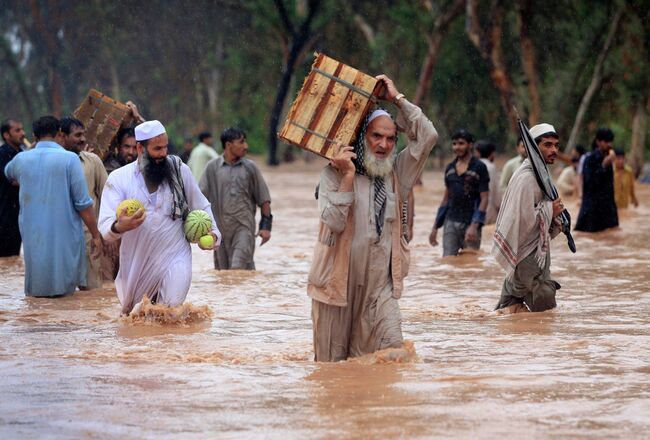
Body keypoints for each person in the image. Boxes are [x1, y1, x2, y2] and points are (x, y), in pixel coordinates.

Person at [309, 74, 438, 362]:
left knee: (393, 354)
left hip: (380, 286)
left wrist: (396, 99)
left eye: (391, 138)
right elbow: (334, 223)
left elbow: (428, 136)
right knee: (333, 369)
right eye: (376, 136)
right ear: (362, 137)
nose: (383, 144)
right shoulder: (333, 174)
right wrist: (348, 177)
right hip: (336, 284)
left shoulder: (398, 173)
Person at [98, 120, 221, 315]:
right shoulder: (119, 179)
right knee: (137, 315)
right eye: (157, 149)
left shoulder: (179, 171)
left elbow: (201, 204)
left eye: (165, 147)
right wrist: (120, 226)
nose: (163, 153)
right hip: (138, 260)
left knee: (170, 312)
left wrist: (213, 235)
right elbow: (105, 226)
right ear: (140, 148)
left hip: (176, 254)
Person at [4, 116, 102, 297]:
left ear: (34, 136)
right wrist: (96, 234)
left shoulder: (21, 159)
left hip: (33, 237)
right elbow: (82, 203)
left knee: (37, 294)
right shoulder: (70, 159)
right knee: (64, 295)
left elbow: (8, 173)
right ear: (59, 134)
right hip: (64, 236)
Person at [493, 123, 564, 313]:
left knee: (509, 306)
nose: (554, 150)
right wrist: (551, 210)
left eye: (556, 145)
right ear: (534, 146)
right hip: (527, 254)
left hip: (530, 251)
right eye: (548, 145)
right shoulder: (527, 178)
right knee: (545, 302)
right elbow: (522, 220)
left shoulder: (540, 175)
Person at [199, 127, 272, 270]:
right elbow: (199, 198)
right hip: (219, 231)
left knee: (238, 269)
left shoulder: (251, 168)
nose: (246, 146)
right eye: (242, 142)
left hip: (244, 228)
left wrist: (266, 227)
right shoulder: (212, 168)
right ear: (228, 145)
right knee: (224, 275)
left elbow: (264, 199)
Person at [60, 117, 108, 290]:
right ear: (62, 136)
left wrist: (106, 231)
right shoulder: (54, 163)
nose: (82, 139)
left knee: (92, 291)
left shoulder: (93, 161)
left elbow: (107, 195)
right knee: (63, 293)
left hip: (89, 237)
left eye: (83, 134)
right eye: (77, 135)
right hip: (61, 237)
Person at [429, 129, 489, 256]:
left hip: (471, 222)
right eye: (454, 144)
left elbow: (484, 198)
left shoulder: (479, 167)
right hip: (451, 221)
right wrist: (435, 227)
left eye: (461, 143)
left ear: (470, 145)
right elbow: (446, 199)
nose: (457, 147)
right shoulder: (449, 168)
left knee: (470, 264)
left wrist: (474, 225)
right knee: (448, 262)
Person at [575, 128, 618, 232]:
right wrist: (603, 165)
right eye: (606, 141)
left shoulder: (609, 158)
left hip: (608, 208)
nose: (609, 144)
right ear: (598, 142)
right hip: (593, 210)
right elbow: (590, 182)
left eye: (611, 141)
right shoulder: (590, 159)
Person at [0, 119, 26, 257]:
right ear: (6, 135)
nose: (23, 133)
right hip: (5, 216)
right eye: (17, 130)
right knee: (5, 257)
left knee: (15, 255)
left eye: (22, 129)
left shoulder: (22, 153)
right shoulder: (2, 154)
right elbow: (13, 180)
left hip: (19, 214)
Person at [476, 140, 500, 225]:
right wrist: (500, 208)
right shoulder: (491, 167)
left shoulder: (473, 165)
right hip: (487, 209)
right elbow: (496, 191)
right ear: (492, 154)